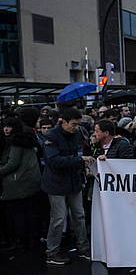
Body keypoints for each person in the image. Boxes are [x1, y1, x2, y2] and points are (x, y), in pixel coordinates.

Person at [41, 108, 94, 265]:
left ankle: (83, 248)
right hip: (56, 183)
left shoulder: (76, 134)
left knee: (79, 215)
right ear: (62, 122)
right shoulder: (51, 137)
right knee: (58, 218)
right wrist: (80, 161)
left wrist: (83, 166)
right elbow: (54, 161)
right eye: (73, 124)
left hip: (73, 181)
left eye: (77, 125)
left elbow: (80, 152)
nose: (76, 127)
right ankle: (52, 252)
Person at [0, 117, 41, 250]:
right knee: (27, 212)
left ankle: (21, 241)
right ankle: (29, 240)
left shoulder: (16, 142)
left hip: (17, 183)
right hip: (29, 183)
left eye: (9, 126)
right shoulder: (26, 140)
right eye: (5, 126)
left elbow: (12, 164)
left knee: (17, 214)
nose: (6, 129)